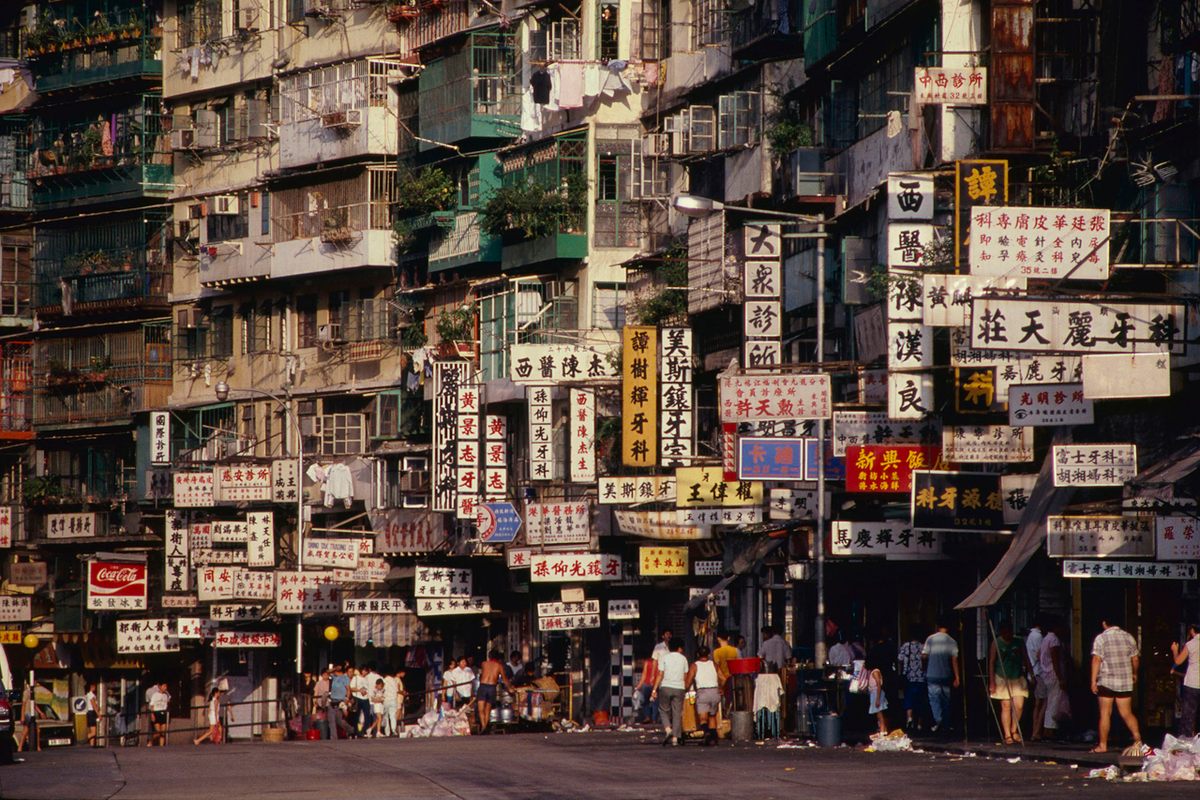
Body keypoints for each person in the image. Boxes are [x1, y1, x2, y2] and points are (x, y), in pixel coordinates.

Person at [1090, 618, 1142, 754]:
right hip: (1125, 681)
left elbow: (1096, 659)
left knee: (1105, 713)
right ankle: (1138, 740)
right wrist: (1135, 673)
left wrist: (1093, 680)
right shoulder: (1129, 637)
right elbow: (1135, 658)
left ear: (1104, 623)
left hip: (1106, 681)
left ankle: (1102, 745)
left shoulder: (1101, 638)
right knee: (1126, 713)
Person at [988, 622, 1031, 745]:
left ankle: (1014, 729)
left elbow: (1026, 657)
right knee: (1006, 705)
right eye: (1005, 632)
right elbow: (991, 662)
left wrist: (1031, 674)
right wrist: (992, 682)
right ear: (1001, 632)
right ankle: (1007, 734)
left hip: (1017, 676)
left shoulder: (1018, 641)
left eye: (1010, 632)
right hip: (1002, 676)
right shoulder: (996, 642)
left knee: (1019, 705)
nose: (1008, 635)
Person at [922, 621, 960, 735]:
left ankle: (938, 720)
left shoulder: (930, 639)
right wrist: (957, 677)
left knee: (934, 700)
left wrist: (924, 668)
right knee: (946, 700)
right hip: (946, 674)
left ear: (937, 627)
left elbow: (924, 656)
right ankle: (946, 724)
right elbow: (954, 660)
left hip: (932, 673)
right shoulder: (952, 641)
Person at [651, 641, 688, 746]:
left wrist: (654, 689)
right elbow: (685, 675)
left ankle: (668, 730)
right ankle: (675, 738)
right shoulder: (683, 659)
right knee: (677, 712)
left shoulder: (665, 658)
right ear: (679, 648)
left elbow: (660, 674)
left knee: (663, 710)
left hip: (666, 687)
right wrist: (684, 687)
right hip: (679, 687)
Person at [686, 646, 721, 746]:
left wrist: (685, 689)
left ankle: (708, 735)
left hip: (703, 692)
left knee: (703, 719)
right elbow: (723, 677)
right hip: (715, 691)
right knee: (712, 716)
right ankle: (714, 737)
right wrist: (721, 688)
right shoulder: (714, 664)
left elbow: (688, 681)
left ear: (698, 655)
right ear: (709, 654)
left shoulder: (694, 665)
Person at [1172, 624, 1200, 737]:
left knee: (1189, 714)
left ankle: (1187, 740)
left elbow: (1178, 661)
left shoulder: (1191, 644)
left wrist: (1175, 650)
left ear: (1192, 631)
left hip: (1193, 683)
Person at [897, 633, 928, 733]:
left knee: (909, 698)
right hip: (921, 677)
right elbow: (926, 659)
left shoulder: (906, 646)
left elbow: (899, 659)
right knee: (920, 700)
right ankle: (919, 723)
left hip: (909, 676)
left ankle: (909, 718)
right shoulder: (923, 647)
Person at [476, 650, 513, 733]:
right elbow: (505, 679)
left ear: (489, 656)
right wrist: (510, 688)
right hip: (492, 687)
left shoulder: (484, 663)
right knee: (487, 709)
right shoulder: (499, 666)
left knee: (481, 708)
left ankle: (484, 726)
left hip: (483, 686)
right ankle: (484, 727)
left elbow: (481, 675)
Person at [327, 664, 352, 740]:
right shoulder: (334, 677)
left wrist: (347, 699)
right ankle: (333, 738)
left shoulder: (345, 678)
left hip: (340, 701)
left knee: (339, 721)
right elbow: (327, 672)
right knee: (331, 720)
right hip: (333, 700)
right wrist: (334, 668)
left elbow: (348, 689)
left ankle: (351, 730)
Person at [865, 658, 889, 736]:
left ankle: (882, 731)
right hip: (874, 693)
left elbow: (878, 684)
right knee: (878, 713)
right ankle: (883, 729)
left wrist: (877, 699)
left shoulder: (875, 672)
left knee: (879, 714)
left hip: (876, 693)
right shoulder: (873, 671)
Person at [17, 683, 41, 753]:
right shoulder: (26, 692)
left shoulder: (32, 692)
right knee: (27, 730)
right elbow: (23, 704)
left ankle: (20, 747)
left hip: (32, 713)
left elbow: (34, 704)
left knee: (30, 730)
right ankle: (36, 746)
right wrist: (22, 717)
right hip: (28, 713)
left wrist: (40, 712)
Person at [635, 654, 658, 725]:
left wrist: (637, 687)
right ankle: (654, 719)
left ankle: (647, 717)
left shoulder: (647, 662)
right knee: (655, 703)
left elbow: (644, 676)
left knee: (645, 702)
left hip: (647, 685)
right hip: (655, 685)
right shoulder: (660, 663)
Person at [147, 681, 170, 747]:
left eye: (166, 686)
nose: (165, 688)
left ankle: (161, 746)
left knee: (163, 732)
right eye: (164, 686)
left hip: (163, 713)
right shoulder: (155, 695)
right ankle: (150, 741)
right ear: (160, 687)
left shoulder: (166, 695)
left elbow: (167, 703)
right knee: (158, 732)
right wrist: (152, 714)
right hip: (156, 713)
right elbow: (152, 705)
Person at [381, 670, 401, 737]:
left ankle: (387, 732)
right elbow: (397, 690)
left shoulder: (383, 680)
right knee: (393, 716)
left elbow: (382, 690)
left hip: (386, 700)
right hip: (393, 700)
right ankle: (393, 730)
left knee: (386, 716)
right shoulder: (394, 680)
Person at [85, 682, 99, 747]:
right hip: (92, 713)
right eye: (94, 686)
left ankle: (92, 745)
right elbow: (93, 705)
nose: (95, 688)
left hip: (89, 713)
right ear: (91, 687)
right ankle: (85, 738)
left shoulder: (88, 695)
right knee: (94, 732)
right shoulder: (91, 695)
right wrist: (98, 714)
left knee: (92, 730)